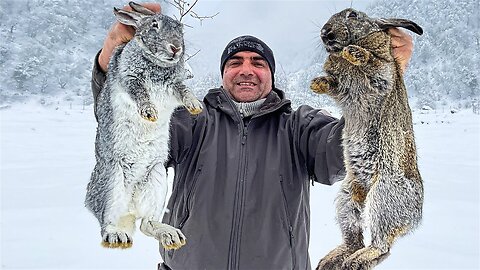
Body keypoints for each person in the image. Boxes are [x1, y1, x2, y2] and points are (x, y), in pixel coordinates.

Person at [91, 3, 414, 270]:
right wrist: (111, 66)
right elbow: (126, 126)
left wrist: (382, 80)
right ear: (223, 74)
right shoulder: (190, 121)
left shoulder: (299, 125)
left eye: (258, 62)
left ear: (271, 76)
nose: (246, 69)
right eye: (235, 62)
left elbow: (346, 151)